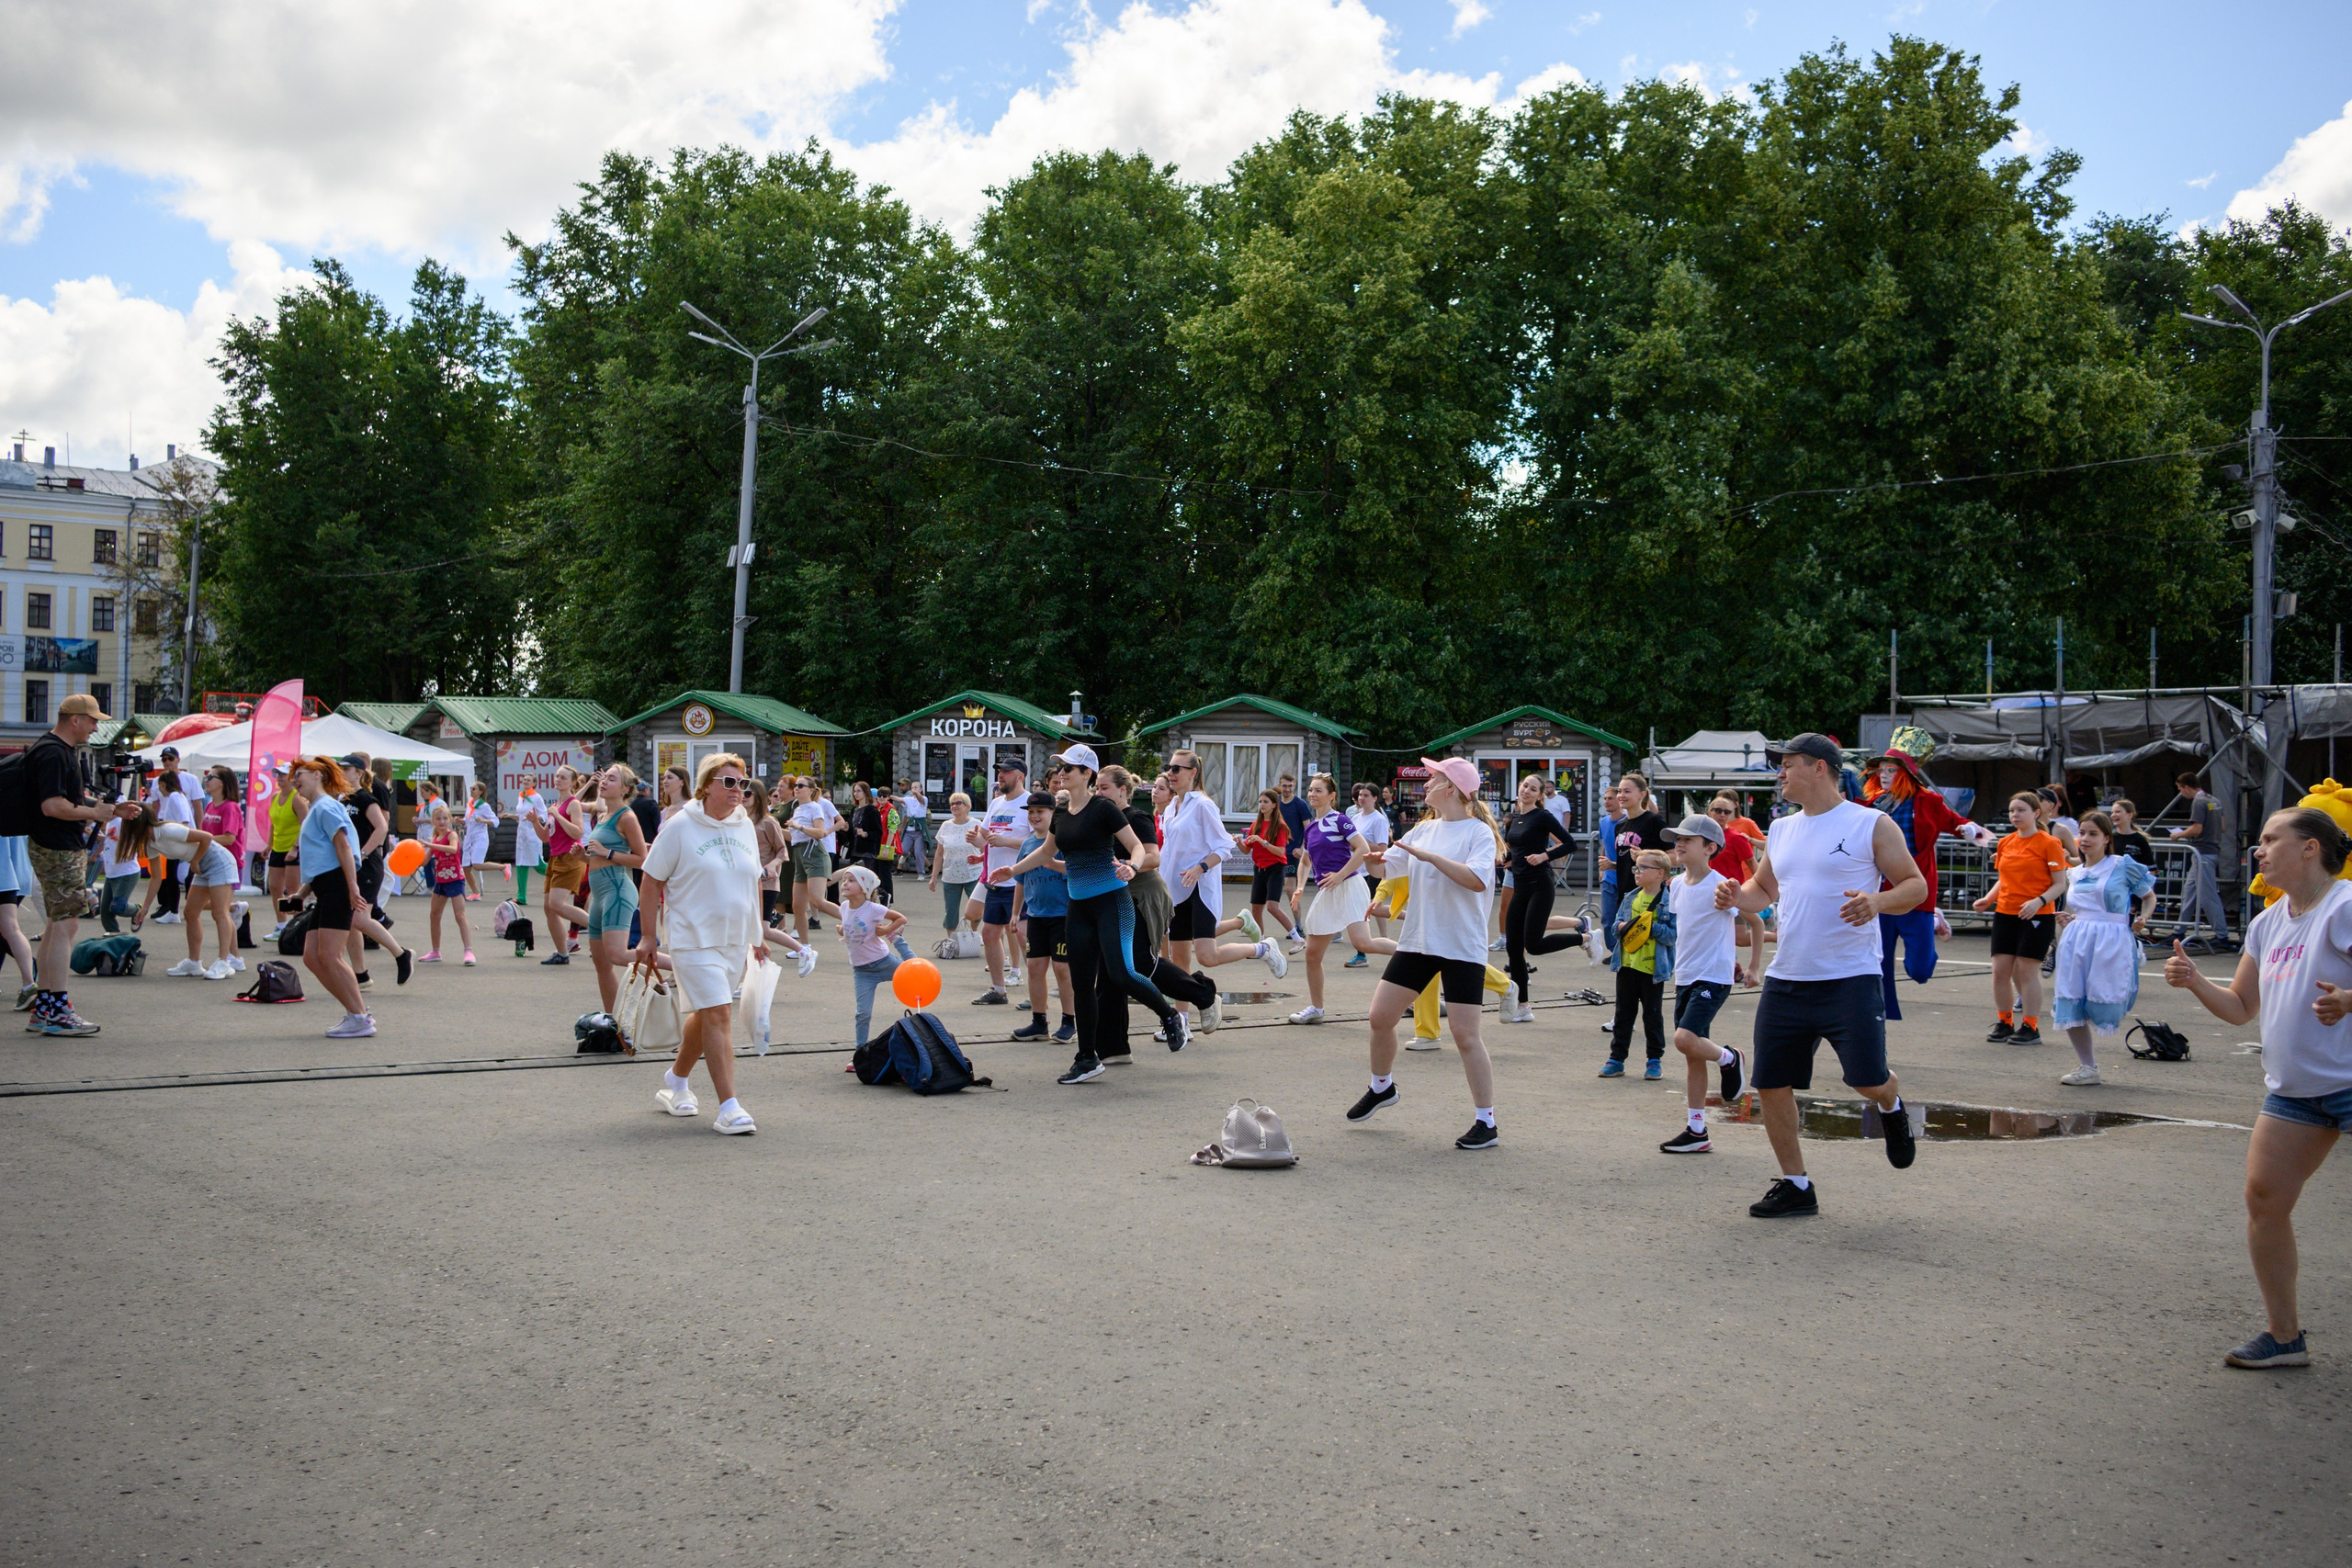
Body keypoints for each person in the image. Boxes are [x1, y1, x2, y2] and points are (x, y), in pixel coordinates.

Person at [2163, 807, 2352, 1369]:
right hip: (2296, 1088)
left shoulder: (2344, 906)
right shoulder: (2268, 922)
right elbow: (2243, 1008)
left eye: (2271, 839)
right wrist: (2196, 981)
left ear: (2311, 848)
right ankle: (2285, 1336)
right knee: (2264, 1199)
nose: (2259, 850)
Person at [1714, 733, 1928, 1219]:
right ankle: (1796, 1184)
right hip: (1788, 978)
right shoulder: (1783, 829)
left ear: (1819, 768)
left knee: (1867, 1080)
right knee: (1770, 1083)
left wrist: (1876, 902)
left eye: (1786, 765)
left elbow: (1914, 886)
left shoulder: (1869, 823)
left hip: (1849, 978)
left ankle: (1892, 1107)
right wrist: (1735, 897)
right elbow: (1762, 890)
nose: (1780, 774)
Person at [989, 744, 1189, 1082]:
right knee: (1082, 984)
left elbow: (1138, 846)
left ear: (1087, 775)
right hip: (1078, 906)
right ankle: (1086, 1058)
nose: (1062, 773)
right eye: (1061, 767)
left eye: (1069, 768)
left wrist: (1131, 865)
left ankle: (1169, 1016)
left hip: (1112, 901)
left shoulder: (1103, 809)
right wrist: (1014, 871)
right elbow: (1046, 852)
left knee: (1122, 973)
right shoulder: (1063, 813)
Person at [1342, 756, 1503, 1150]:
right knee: (1380, 1017)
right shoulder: (1423, 828)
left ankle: (1487, 1122)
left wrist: (1430, 858)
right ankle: (1382, 1087)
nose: (1426, 783)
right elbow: (1385, 871)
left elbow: (1477, 881)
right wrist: (1375, 862)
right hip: (1419, 941)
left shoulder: (1478, 834)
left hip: (1462, 946)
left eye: (1432, 778)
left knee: (1466, 1036)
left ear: (1451, 788)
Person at [636, 752, 764, 1135]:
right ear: (706, 785)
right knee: (720, 1013)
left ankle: (675, 1082)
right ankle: (729, 1107)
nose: (738, 791)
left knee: (709, 1013)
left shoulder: (745, 827)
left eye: (742, 784)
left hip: (734, 940)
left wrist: (758, 935)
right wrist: (647, 935)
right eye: (729, 783)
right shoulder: (679, 826)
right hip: (692, 938)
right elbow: (650, 879)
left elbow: (754, 880)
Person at [24, 695, 139, 1035]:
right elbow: (52, 806)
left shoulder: (51, 749)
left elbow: (66, 799)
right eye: (92, 720)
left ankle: (45, 1007)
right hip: (58, 847)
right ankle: (56, 1009)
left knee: (57, 925)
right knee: (66, 927)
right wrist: (94, 813)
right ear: (74, 719)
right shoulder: (55, 753)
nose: (95, 727)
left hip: (52, 845)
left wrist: (110, 810)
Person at [1861, 730, 1994, 1020]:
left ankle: (1935, 918)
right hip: (1882, 893)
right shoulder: (1871, 806)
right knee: (1879, 963)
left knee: (1920, 970)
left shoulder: (1928, 801)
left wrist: (1971, 830)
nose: (1884, 775)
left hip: (1916, 892)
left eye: (1891, 770)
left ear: (1906, 774)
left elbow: (1957, 822)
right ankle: (1881, 1015)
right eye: (1881, 769)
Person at [1161, 750, 1287, 1017]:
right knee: (1179, 958)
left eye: (1176, 769)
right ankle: (1181, 1020)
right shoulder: (1171, 807)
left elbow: (1223, 847)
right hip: (1175, 890)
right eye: (1169, 767)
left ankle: (1262, 948)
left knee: (1207, 956)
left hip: (1200, 889)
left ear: (1193, 773)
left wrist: (1201, 866)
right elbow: (1168, 851)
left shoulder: (1203, 805)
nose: (1170, 773)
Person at [1658, 816, 1749, 1153]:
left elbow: (1752, 917)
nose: (1680, 844)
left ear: (1710, 848)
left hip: (1714, 975)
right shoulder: (1677, 885)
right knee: (1693, 1053)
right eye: (1677, 838)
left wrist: (1752, 964)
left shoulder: (1722, 884)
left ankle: (1729, 1058)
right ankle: (1697, 1131)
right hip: (1686, 974)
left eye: (1689, 840)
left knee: (1685, 1039)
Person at [2051, 810, 2155, 1085]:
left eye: (2092, 834)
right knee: (2071, 998)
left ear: (2107, 838)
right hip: (2077, 938)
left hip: (2111, 938)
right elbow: (2081, 909)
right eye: (2082, 833)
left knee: (2103, 995)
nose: (2084, 839)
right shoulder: (2075, 872)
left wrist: (2144, 917)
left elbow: (2148, 896)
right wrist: (2069, 919)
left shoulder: (2122, 865)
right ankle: (2088, 1067)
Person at [1287, 774, 1397, 1023]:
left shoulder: (1341, 820)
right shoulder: (1311, 828)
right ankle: (1317, 1009)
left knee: (1363, 942)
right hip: (1328, 891)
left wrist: (1340, 874)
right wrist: (1300, 888)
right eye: (1311, 790)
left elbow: (1362, 849)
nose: (1312, 794)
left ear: (1331, 795)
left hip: (1349, 885)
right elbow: (1305, 861)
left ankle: (1412, 954)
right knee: (1312, 954)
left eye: (1318, 790)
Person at [1971, 792, 2068, 1045]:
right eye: (2012, 810)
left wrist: (2038, 901)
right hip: (2006, 913)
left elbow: (2060, 884)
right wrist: (1988, 899)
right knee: (2000, 971)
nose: (2015, 815)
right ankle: (2005, 1022)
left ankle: (2030, 1026)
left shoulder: (2049, 843)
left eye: (2021, 810)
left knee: (2027, 972)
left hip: (2037, 914)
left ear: (2036, 813)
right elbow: (2004, 878)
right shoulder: (2006, 842)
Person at [1498, 773, 1594, 1022]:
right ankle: (1523, 1007)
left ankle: (1584, 937)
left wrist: (1544, 856)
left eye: (1533, 789)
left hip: (1540, 884)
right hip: (1520, 886)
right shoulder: (1515, 818)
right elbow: (1515, 848)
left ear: (1541, 795)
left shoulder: (1543, 817)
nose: (1527, 791)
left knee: (1535, 944)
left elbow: (1570, 843)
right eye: (1524, 786)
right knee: (1513, 948)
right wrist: (1507, 860)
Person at [289, 757, 375, 1038]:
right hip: (327, 886)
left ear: (317, 775)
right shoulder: (317, 807)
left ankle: (360, 1017)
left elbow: (342, 846)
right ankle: (356, 1014)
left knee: (330, 955)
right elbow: (322, 857)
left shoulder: (325, 805)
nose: (294, 780)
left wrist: (352, 887)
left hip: (338, 884)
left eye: (298, 774)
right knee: (312, 957)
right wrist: (303, 892)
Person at [129, 805, 240, 977]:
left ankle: (224, 962)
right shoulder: (150, 843)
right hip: (201, 865)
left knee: (219, 912)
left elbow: (207, 837)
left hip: (219, 862)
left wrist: (195, 861)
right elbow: (156, 877)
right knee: (190, 912)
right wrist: (145, 907)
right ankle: (194, 963)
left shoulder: (167, 830)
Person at [338, 756, 413, 989]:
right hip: (351, 865)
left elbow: (382, 828)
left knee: (360, 919)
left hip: (368, 865)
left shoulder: (365, 798)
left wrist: (362, 853)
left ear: (359, 773)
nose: (342, 773)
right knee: (351, 922)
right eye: (340, 769)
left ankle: (401, 955)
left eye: (347, 769)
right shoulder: (344, 798)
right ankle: (360, 975)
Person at [1010, 790, 1076, 1043]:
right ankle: (1039, 1022)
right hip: (1036, 915)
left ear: (1053, 814)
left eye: (1040, 812)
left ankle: (1069, 1021)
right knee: (1035, 967)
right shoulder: (1027, 845)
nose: (1035, 816)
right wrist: (1016, 913)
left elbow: (1075, 872)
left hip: (1063, 915)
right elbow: (1020, 880)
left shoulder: (1061, 842)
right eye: (1031, 812)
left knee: (1063, 969)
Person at [1603, 851, 1674, 1077]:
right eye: (1636, 867)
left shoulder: (1668, 902)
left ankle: (1654, 1060)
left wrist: (1648, 928)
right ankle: (1616, 1059)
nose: (1637, 872)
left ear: (1660, 874)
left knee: (1652, 1015)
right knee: (1623, 1013)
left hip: (1652, 969)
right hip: (1627, 965)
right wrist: (1622, 927)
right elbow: (1615, 927)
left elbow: (1672, 936)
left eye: (1643, 868)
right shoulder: (1630, 897)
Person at [972, 760, 1033, 1003]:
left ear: (1020, 776)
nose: (1000, 776)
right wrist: (974, 838)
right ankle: (998, 990)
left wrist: (1005, 841)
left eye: (1006, 772)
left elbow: (1039, 842)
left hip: (1020, 880)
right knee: (989, 933)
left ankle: (1035, 992)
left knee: (1023, 937)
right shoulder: (997, 803)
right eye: (999, 772)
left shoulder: (1030, 803)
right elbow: (984, 839)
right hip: (995, 881)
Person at [837, 864, 916, 1048]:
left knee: (913, 971)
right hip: (862, 971)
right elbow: (853, 927)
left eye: (851, 880)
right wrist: (843, 930)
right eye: (844, 881)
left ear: (864, 888)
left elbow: (901, 919)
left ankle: (896, 938)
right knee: (862, 1013)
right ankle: (860, 1052)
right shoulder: (843, 907)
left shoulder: (873, 908)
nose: (845, 884)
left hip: (883, 961)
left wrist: (887, 930)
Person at [1706, 794, 1766, 986]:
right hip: (1707, 893)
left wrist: (1760, 889)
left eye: (1727, 812)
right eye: (1718, 810)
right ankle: (1731, 968)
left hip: (1733, 894)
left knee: (1742, 935)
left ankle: (1776, 939)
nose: (1722, 814)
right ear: (1710, 811)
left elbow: (1753, 863)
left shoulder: (1736, 838)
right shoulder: (1701, 837)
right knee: (1714, 934)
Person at [2169, 772, 2232, 948]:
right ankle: (2178, 932)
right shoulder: (2215, 801)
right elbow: (2223, 827)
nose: (2181, 794)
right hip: (2210, 851)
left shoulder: (2198, 802)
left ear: (2187, 787)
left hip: (2202, 852)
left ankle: (2221, 934)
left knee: (2207, 894)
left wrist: (2178, 835)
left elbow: (2196, 829)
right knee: (2190, 892)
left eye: (2181, 789)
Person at [538, 765, 593, 965]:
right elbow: (545, 836)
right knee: (548, 908)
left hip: (570, 857)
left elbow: (578, 833)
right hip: (554, 858)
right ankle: (562, 953)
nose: (558, 780)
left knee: (557, 905)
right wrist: (535, 821)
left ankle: (597, 927)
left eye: (563, 777)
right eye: (556, 776)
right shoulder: (555, 805)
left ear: (572, 782)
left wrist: (559, 816)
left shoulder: (573, 804)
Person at [786, 775, 844, 945]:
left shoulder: (815, 807)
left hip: (815, 855)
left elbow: (819, 833)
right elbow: (794, 837)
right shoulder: (797, 808)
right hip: (800, 855)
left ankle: (858, 920)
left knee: (817, 901)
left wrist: (799, 826)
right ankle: (804, 948)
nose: (796, 788)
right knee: (798, 905)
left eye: (800, 786)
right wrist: (774, 827)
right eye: (795, 785)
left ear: (810, 790)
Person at [416, 799, 475, 966]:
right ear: (433, 821)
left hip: (455, 880)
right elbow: (424, 861)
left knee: (460, 915)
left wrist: (429, 844)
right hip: (440, 881)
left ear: (449, 820)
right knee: (434, 915)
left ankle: (468, 951)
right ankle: (435, 951)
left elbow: (453, 849)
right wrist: (408, 855)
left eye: (445, 818)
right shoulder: (435, 838)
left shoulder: (452, 835)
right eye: (438, 819)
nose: (442, 822)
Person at [1238, 791, 1297, 949]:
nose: (1262, 805)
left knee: (1272, 907)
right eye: (1260, 802)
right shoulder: (1255, 825)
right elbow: (1246, 850)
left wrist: (1262, 841)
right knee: (1256, 908)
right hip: (1259, 869)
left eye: (1265, 801)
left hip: (1275, 868)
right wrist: (1238, 842)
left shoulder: (1280, 826)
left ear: (1274, 805)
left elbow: (1280, 851)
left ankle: (1297, 937)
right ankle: (1260, 943)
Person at [928, 792, 983, 933]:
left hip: (973, 874)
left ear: (967, 807)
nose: (954, 806)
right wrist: (934, 876)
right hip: (950, 875)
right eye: (952, 803)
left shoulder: (977, 824)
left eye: (958, 803)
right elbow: (939, 853)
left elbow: (986, 850)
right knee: (951, 911)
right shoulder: (946, 826)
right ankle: (951, 940)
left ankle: (974, 932)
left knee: (977, 909)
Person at [1348, 782, 1392, 953]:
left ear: (1375, 798)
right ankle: (1382, 937)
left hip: (1372, 870)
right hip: (1357, 869)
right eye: (1360, 795)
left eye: (1366, 795)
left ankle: (1362, 951)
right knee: (1371, 908)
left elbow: (1382, 848)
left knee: (1370, 908)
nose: (1362, 798)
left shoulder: (1379, 819)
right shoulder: (1355, 818)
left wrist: (1360, 845)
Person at [147, 767, 196, 923]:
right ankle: (176, 910)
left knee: (172, 876)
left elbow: (184, 820)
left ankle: (174, 910)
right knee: (176, 875)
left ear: (162, 784)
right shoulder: (178, 796)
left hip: (180, 841)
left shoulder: (175, 797)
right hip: (181, 840)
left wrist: (175, 832)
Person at [1272, 772, 1312, 951]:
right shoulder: (1275, 802)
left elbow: (1309, 828)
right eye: (1284, 786)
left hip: (1292, 853)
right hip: (1274, 851)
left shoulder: (1300, 804)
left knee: (1290, 888)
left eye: (1290, 786)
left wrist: (1302, 848)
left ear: (1294, 785)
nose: (1287, 789)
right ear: (1279, 786)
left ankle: (1298, 925)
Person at [266, 764, 307, 932]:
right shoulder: (275, 797)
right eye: (277, 774)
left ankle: (298, 926)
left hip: (293, 849)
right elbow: (273, 824)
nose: (279, 777)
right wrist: (269, 845)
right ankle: (281, 925)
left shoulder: (297, 798)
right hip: (278, 847)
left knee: (293, 890)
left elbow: (305, 825)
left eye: (283, 774)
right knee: (275, 887)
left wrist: (295, 848)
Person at [749, 778, 787, 930]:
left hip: (766, 882)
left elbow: (782, 849)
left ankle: (804, 950)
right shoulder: (737, 821)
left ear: (757, 796)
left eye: (747, 794)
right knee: (751, 929)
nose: (742, 797)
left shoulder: (768, 821)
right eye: (741, 793)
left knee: (763, 929)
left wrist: (772, 865)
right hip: (745, 881)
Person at [1596, 782, 1623, 954]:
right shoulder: (1604, 822)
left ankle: (1623, 951)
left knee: (1623, 917)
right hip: (1608, 877)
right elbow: (1605, 845)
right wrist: (1601, 869)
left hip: (1624, 875)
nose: (1606, 802)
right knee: (1607, 918)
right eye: (1605, 798)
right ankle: (1613, 951)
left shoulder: (1626, 822)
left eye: (1611, 799)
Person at [461, 782, 500, 900]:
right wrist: (460, 821)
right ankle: (475, 893)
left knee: (477, 865)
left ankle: (503, 867)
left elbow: (496, 821)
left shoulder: (484, 806)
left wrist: (483, 820)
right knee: (466, 868)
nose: (471, 790)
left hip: (480, 838)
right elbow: (467, 821)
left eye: (474, 789)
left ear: (480, 792)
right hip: (469, 838)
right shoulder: (470, 805)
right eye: (471, 788)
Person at [2109, 798, 2155, 869]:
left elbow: (2151, 868)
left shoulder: (2139, 839)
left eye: (2117, 812)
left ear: (2130, 815)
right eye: (2112, 812)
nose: (2113, 815)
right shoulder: (2109, 838)